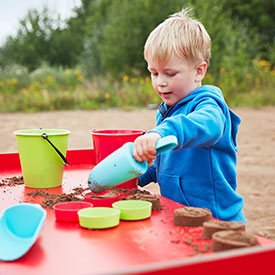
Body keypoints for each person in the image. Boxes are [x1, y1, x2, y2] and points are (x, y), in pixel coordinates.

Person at [132, 8, 246, 223]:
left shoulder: (209, 105)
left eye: (170, 73)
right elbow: (162, 165)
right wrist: (134, 177)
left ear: (199, 71)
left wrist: (161, 133)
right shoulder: (168, 110)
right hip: (179, 215)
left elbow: (206, 126)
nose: (160, 82)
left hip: (215, 221)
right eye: (154, 73)